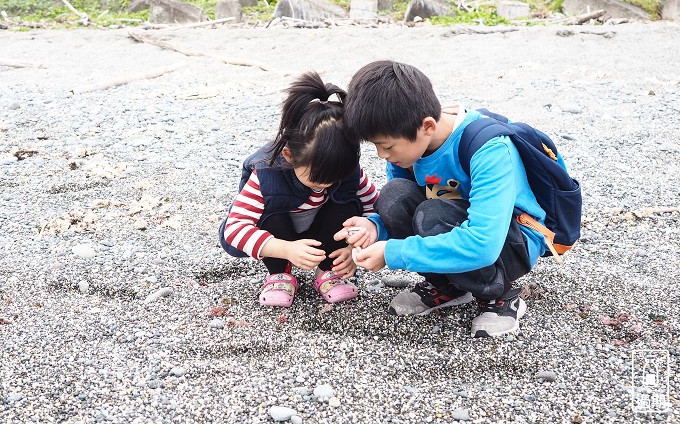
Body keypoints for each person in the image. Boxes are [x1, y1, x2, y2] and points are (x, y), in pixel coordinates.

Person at [337, 60, 549, 337]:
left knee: (434, 214)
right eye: (375, 146)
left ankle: (501, 296)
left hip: (511, 241)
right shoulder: (411, 149)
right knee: (393, 195)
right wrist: (375, 228)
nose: (381, 155)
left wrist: (393, 253)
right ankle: (449, 287)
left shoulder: (488, 149)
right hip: (451, 222)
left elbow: (483, 243)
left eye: (386, 146)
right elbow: (405, 205)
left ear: (426, 126)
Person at [219, 71, 379, 308]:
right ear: (289, 156)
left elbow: (373, 210)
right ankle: (279, 273)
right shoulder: (266, 174)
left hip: (325, 233)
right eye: (316, 179)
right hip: (281, 234)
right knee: (269, 215)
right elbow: (233, 230)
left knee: (347, 204)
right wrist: (286, 249)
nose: (325, 186)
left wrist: (352, 249)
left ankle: (329, 271)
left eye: (334, 178)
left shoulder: (349, 172)